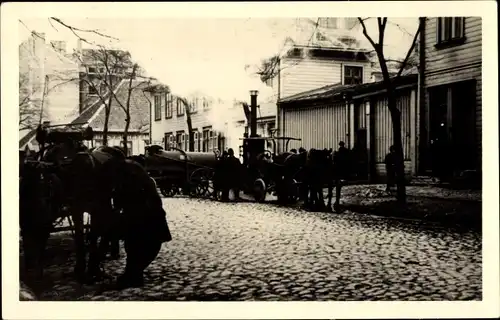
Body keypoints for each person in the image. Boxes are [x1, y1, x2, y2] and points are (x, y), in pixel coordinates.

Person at [112, 159, 172, 289]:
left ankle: (133, 274)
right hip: (148, 219)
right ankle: (134, 274)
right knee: (144, 247)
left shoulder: (127, 183)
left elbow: (120, 201)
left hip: (141, 219)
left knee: (135, 247)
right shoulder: (145, 181)